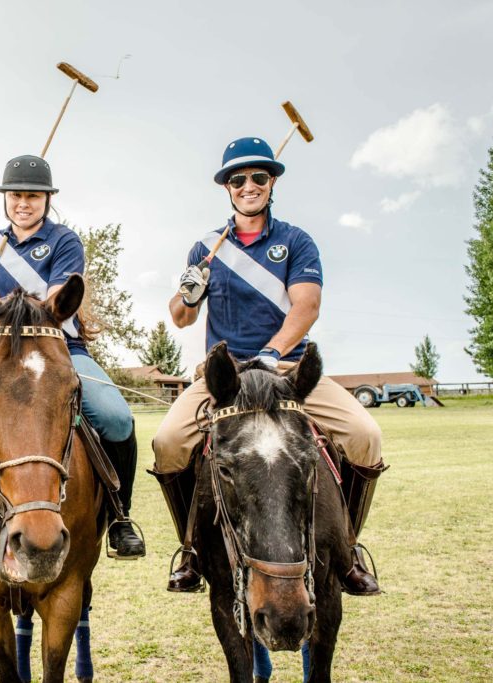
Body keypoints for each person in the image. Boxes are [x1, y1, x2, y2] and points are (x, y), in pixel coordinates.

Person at [151, 136, 386, 595]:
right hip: (225, 378)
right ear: (227, 189)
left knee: (365, 436)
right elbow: (180, 318)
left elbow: (308, 306)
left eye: (258, 177)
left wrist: (273, 352)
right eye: (237, 180)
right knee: (168, 443)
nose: (248, 186)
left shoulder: (295, 241)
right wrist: (188, 291)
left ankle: (348, 548)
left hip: (288, 372)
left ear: (272, 182)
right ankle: (193, 549)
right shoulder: (205, 247)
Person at [0, 154, 144, 559]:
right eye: (16, 195)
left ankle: (120, 516)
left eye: (33, 197)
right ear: (5, 199)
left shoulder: (63, 241)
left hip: (58, 352)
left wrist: (5, 305)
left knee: (116, 418)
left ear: (47, 199)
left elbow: (59, 298)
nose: (24, 203)